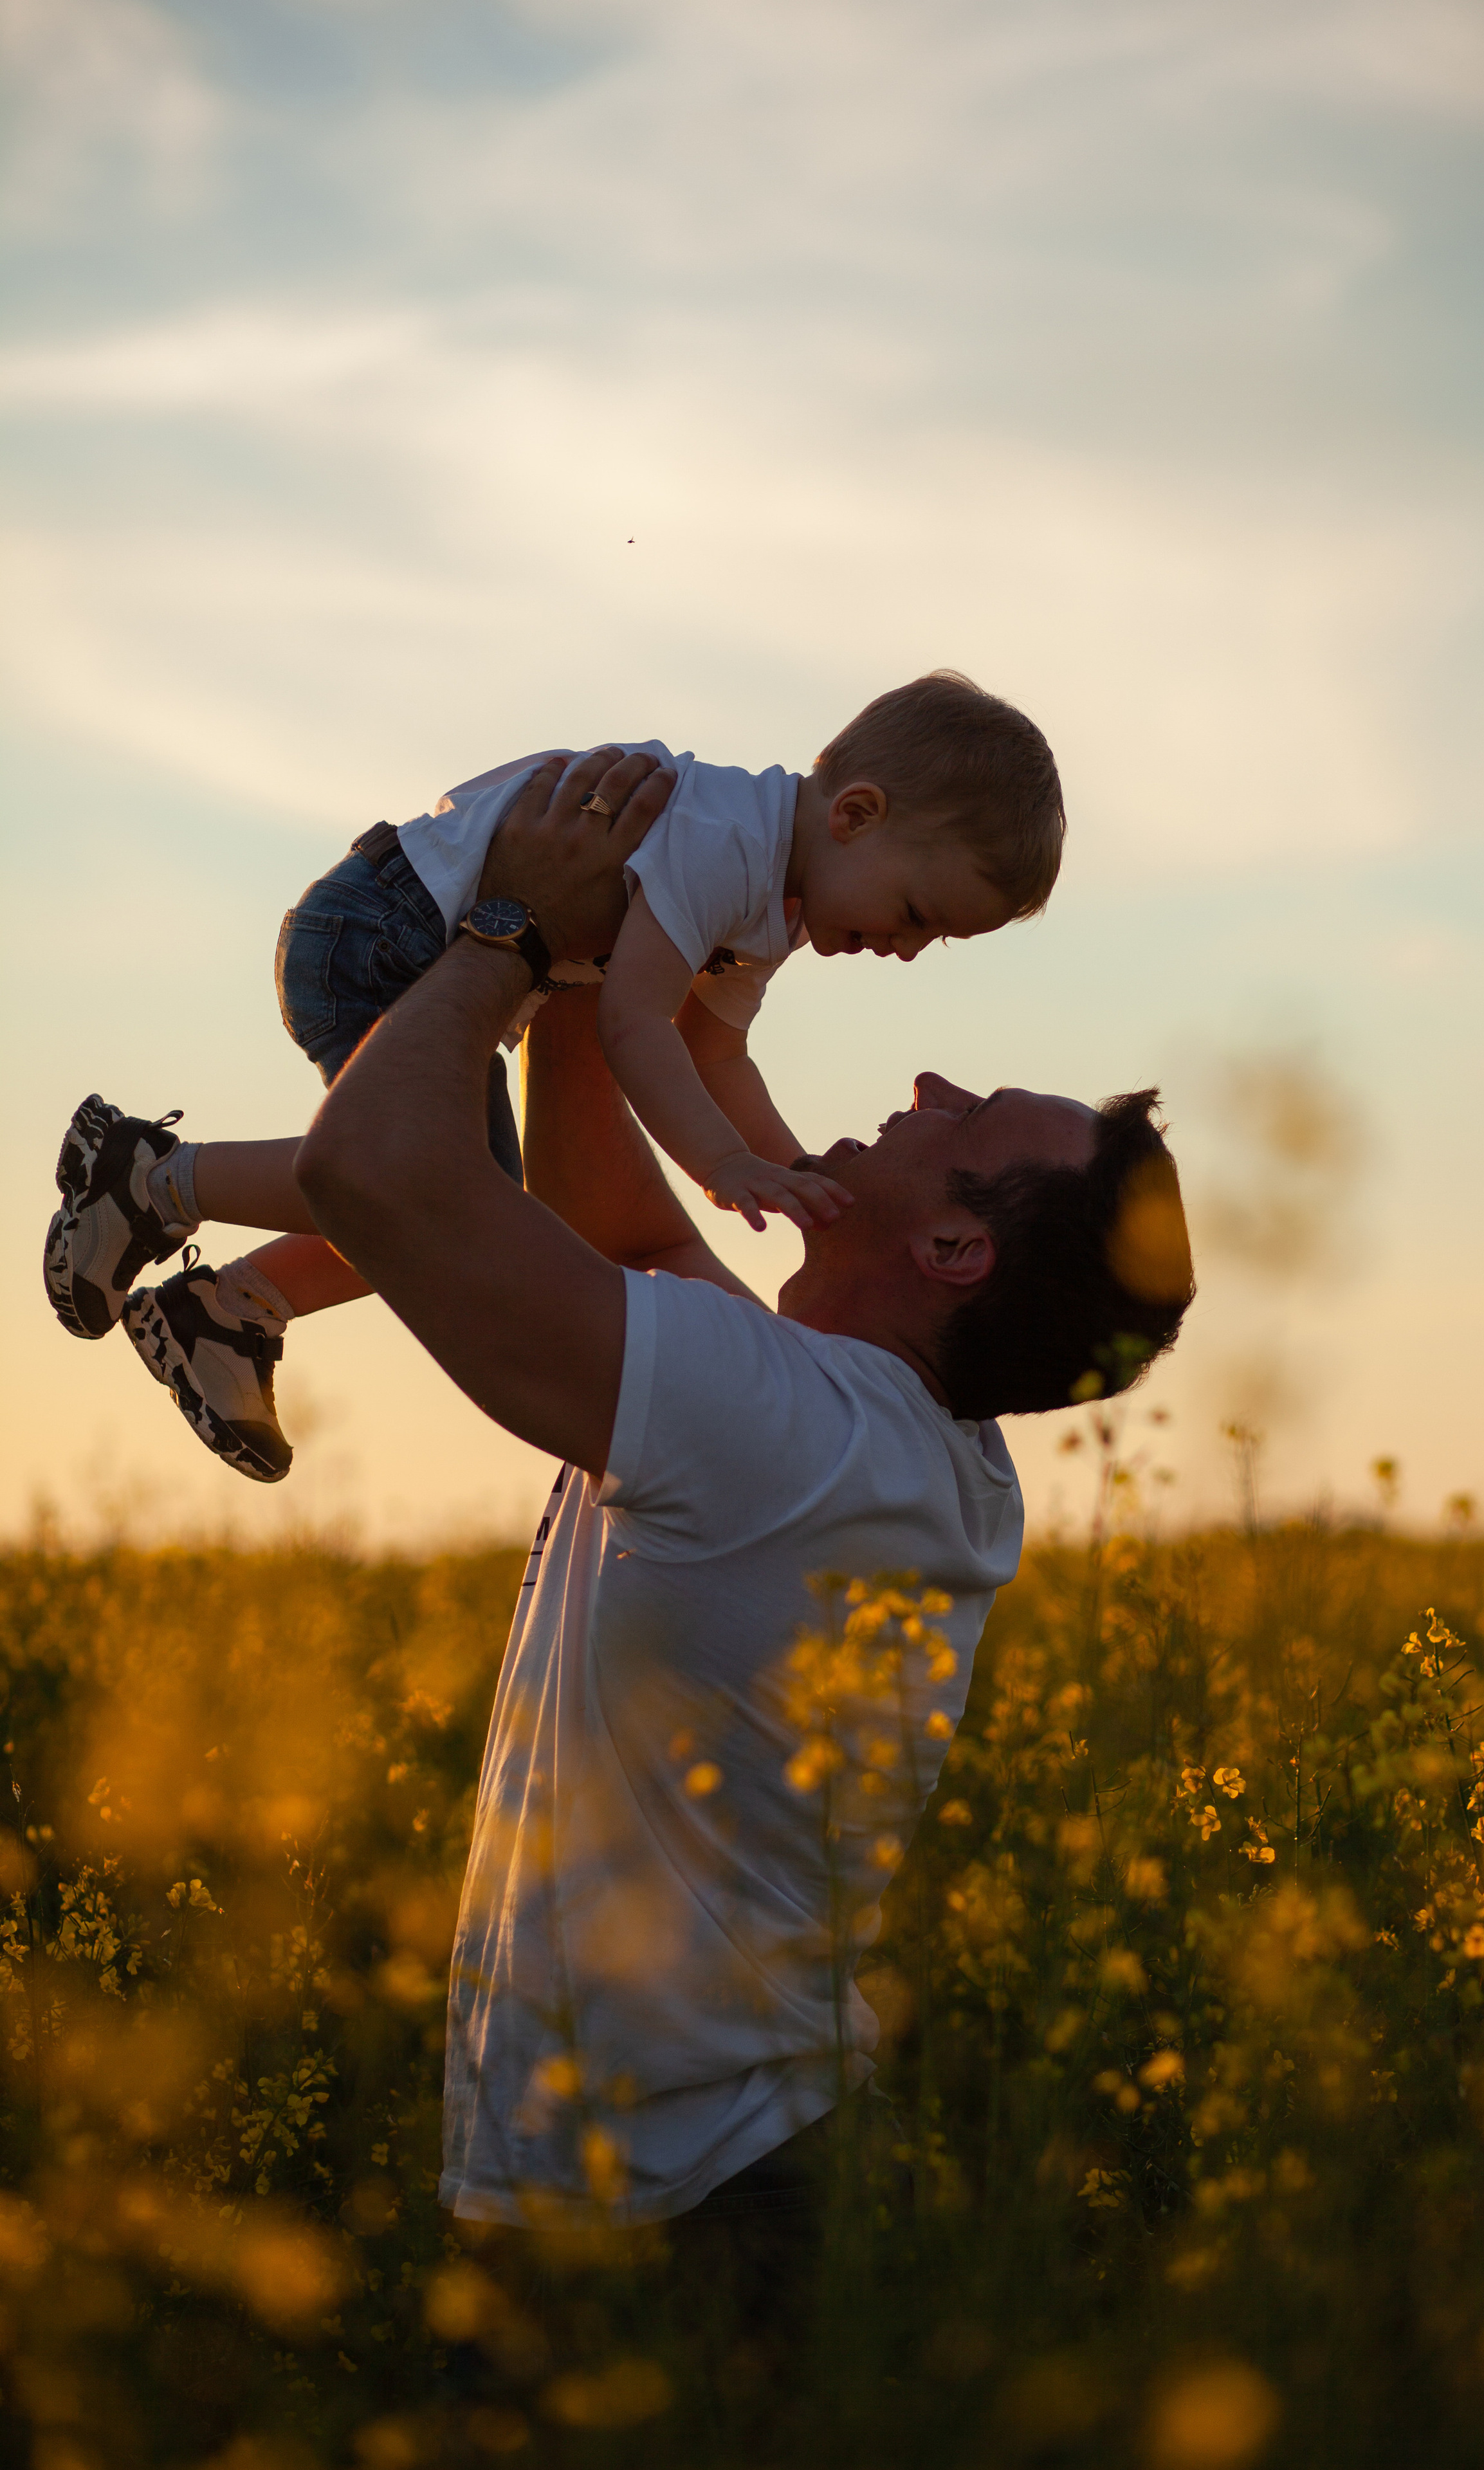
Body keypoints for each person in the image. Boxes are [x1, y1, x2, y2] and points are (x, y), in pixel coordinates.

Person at [284, 746, 1195, 2240]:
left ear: (956, 1253)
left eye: (961, 1122)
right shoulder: (900, 1444)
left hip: (680, 2229)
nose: (922, 1084)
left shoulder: (788, 1432)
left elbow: (369, 1171)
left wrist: (506, 931)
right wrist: (606, 953)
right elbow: (627, 1241)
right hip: (751, 2175)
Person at [41, 673, 1063, 1483]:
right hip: (383, 929)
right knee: (445, 1190)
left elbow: (716, 1053)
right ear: (855, 814)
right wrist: (720, 1163)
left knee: (457, 1202)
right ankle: (149, 1177)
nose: (907, 950)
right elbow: (632, 1024)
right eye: (920, 913)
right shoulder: (724, 845)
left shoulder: (776, 908)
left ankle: (230, 1304)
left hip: (446, 957)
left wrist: (799, 1183)